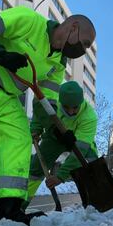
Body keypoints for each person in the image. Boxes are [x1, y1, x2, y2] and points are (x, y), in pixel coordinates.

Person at [0, 6, 95, 225]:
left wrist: (57, 132)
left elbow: (47, 105)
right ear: (73, 27)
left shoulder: (57, 65)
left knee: (18, 140)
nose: (82, 50)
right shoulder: (30, 21)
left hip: (5, 96)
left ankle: (9, 212)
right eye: (84, 43)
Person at [22, 81, 98, 211]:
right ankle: (19, 206)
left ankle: (96, 201)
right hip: (54, 138)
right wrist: (36, 129)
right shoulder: (51, 104)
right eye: (66, 107)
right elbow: (39, 115)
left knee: (92, 165)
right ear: (61, 102)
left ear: (80, 102)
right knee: (35, 169)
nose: (70, 111)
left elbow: (80, 150)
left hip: (77, 141)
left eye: (75, 107)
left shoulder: (89, 117)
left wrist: (60, 176)